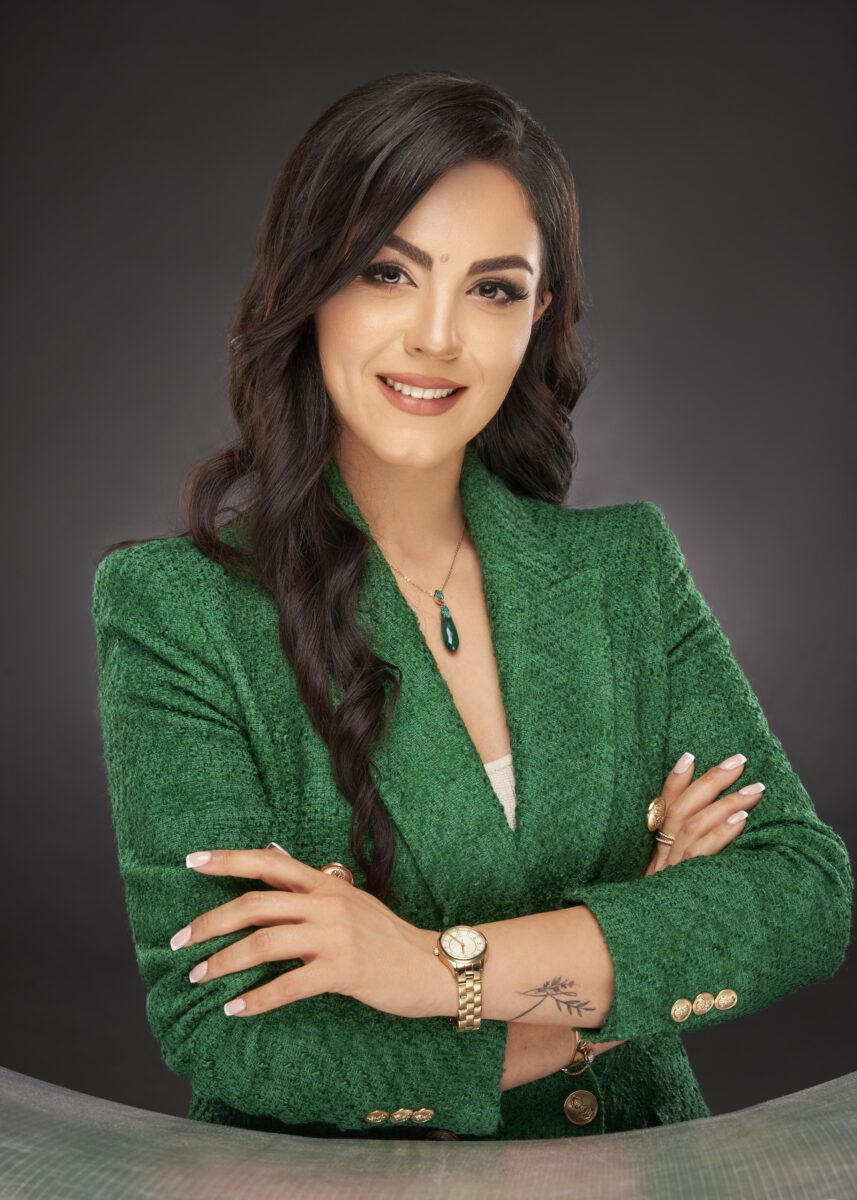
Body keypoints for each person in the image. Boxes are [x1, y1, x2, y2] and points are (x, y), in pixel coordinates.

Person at [91, 69, 852, 1142]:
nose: (436, 337)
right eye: (386, 272)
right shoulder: (178, 610)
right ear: (309, 284)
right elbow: (236, 1035)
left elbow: (800, 894)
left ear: (537, 316)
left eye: (492, 289)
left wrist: (432, 968)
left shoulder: (623, 571)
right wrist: (624, 966)